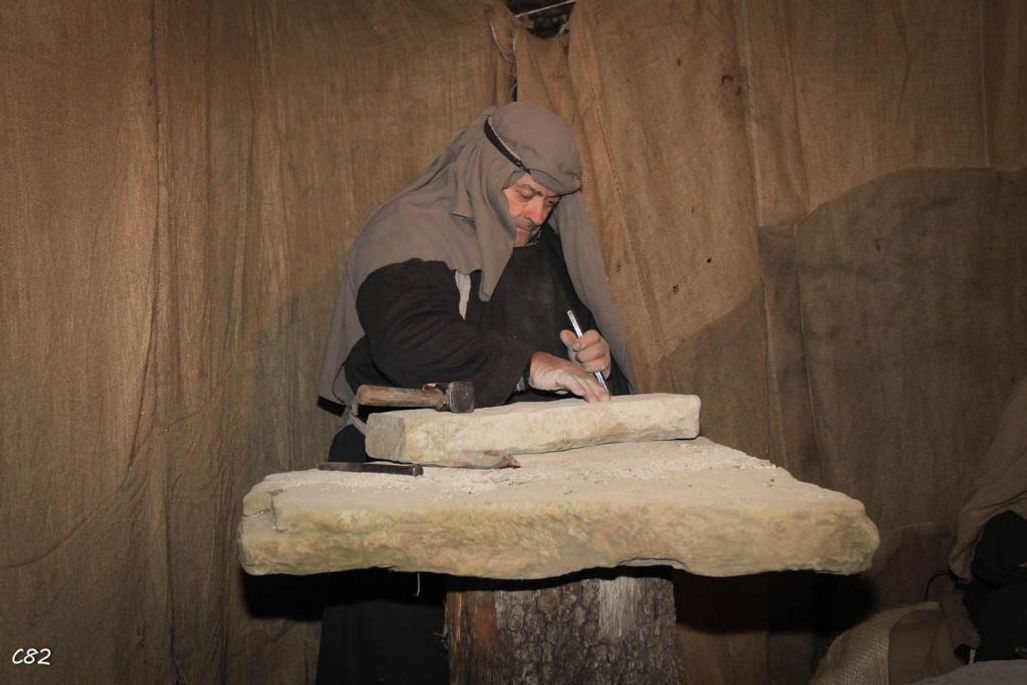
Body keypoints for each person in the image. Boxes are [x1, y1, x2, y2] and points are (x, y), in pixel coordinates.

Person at [315, 101, 635, 684]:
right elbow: (410, 342)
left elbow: (567, 346)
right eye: (526, 194)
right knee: (408, 665)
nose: (537, 215)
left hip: (516, 492)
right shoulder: (408, 229)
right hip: (405, 487)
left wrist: (594, 363)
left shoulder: (545, 240)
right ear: (489, 170)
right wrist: (529, 365)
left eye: (551, 201)